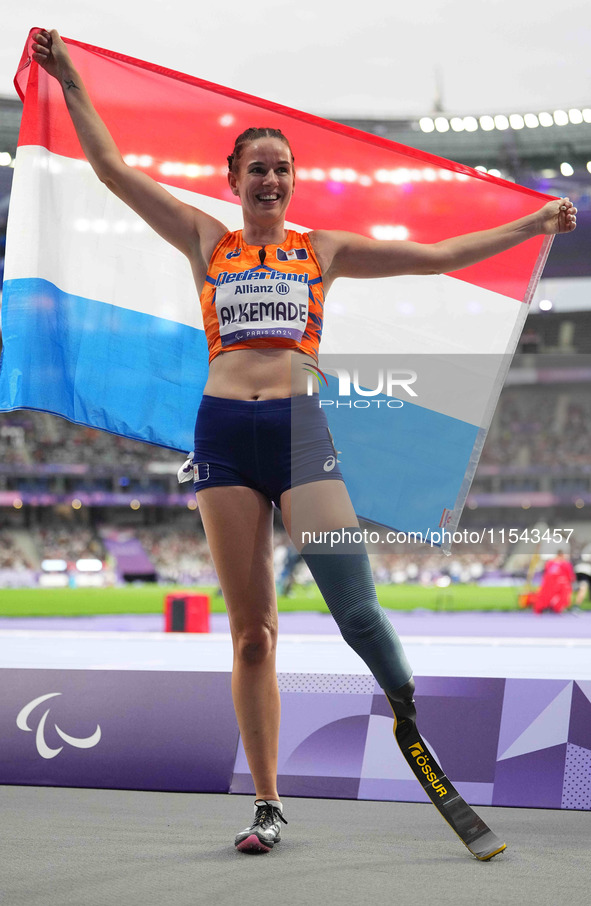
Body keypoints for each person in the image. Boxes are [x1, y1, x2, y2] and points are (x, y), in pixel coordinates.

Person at [32, 29, 577, 855]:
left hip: (297, 433)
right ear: (234, 179)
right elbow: (111, 170)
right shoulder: (204, 240)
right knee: (252, 633)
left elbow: (435, 256)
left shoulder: (320, 251)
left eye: (283, 169)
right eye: (258, 167)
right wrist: (71, 76)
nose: (272, 179)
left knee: (355, 609)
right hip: (220, 435)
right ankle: (267, 802)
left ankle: (406, 717)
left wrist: (530, 221)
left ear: (292, 182)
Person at [533, 549, 576, 614]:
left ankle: (547, 607)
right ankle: (556, 607)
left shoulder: (550, 562)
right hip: (559, 584)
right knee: (562, 594)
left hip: (551, 584)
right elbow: (570, 576)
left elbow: (546, 573)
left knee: (546, 595)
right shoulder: (565, 564)